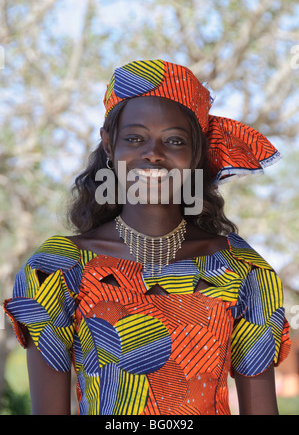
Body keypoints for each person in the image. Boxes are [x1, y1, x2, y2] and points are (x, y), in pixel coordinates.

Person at [4, 59, 291, 416]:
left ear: (196, 153)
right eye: (135, 138)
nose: (153, 154)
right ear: (109, 145)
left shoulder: (241, 267)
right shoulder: (58, 268)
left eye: (174, 140)